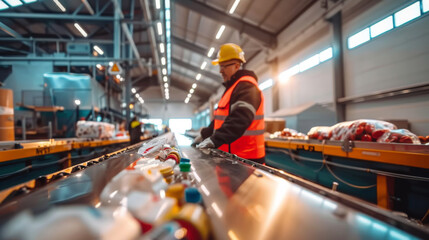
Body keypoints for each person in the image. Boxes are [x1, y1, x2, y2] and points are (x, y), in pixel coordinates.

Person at [194, 43, 265, 164]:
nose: (220, 71)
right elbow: (219, 121)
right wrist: (204, 135)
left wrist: (215, 140)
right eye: (220, 66)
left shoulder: (247, 87)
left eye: (224, 66)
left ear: (237, 66)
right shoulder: (232, 88)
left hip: (247, 160)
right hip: (230, 158)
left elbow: (240, 119)